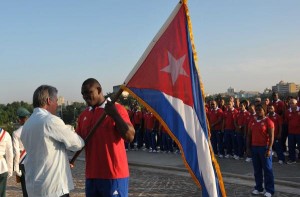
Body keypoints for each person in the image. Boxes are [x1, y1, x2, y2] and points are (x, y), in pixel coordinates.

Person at [21, 85, 85, 197]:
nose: (57, 104)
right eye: (56, 100)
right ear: (48, 100)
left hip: (34, 187)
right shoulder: (50, 121)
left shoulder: (27, 124)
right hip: (53, 188)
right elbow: (77, 144)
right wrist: (71, 131)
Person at [76, 78, 135, 197]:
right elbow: (77, 142)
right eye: (83, 94)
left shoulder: (117, 109)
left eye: (89, 92)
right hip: (91, 176)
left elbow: (130, 136)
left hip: (113, 176)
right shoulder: (83, 116)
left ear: (99, 90)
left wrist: (114, 115)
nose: (85, 97)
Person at [247, 104, 274, 197]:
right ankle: (259, 188)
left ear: (264, 111)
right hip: (254, 148)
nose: (258, 112)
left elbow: (271, 137)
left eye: (260, 110)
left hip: (264, 148)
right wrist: (248, 148)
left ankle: (269, 190)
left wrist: (269, 149)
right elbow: (249, 135)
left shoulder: (268, 121)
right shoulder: (252, 121)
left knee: (267, 170)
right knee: (257, 170)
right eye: (257, 110)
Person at [12, 107, 31, 197]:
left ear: (21, 119)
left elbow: (16, 152)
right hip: (36, 160)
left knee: (25, 189)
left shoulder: (16, 133)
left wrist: (16, 168)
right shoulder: (35, 129)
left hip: (23, 163)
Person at [285, 98, 300, 164]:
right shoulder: (287, 111)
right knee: (291, 147)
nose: (291, 105)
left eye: (292, 103)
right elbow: (287, 121)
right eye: (290, 103)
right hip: (291, 133)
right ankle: (292, 159)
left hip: (299, 133)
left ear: (296, 104)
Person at [0, 127, 13, 197]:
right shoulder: (6, 135)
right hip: (2, 167)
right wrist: (10, 170)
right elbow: (10, 154)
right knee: (2, 193)